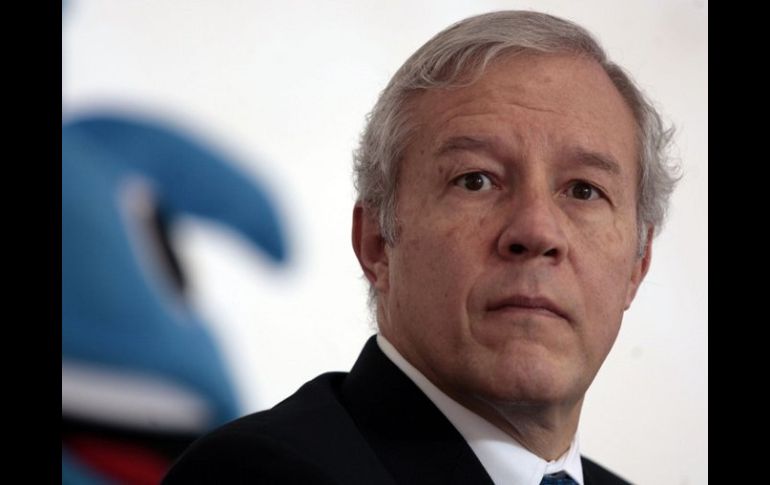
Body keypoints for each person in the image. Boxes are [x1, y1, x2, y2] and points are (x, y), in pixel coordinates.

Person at [163, 10, 679, 485]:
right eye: (475, 180)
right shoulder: (258, 474)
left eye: (584, 191)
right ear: (377, 243)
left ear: (639, 264)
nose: (538, 232)